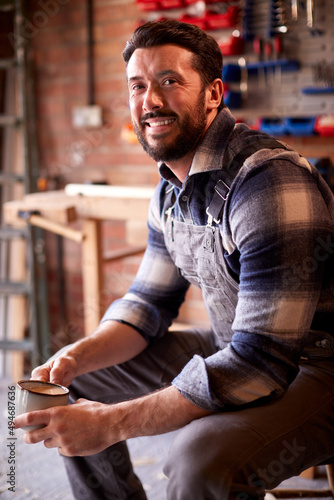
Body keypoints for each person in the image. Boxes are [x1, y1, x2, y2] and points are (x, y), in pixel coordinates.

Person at [15, 19, 334, 500]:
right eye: (138, 86)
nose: (151, 101)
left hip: (315, 366)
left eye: (169, 81)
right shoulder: (169, 192)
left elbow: (260, 363)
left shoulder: (268, 183)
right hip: (237, 345)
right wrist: (77, 356)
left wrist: (112, 423)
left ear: (213, 94)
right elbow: (148, 304)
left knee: (196, 462)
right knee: (83, 379)